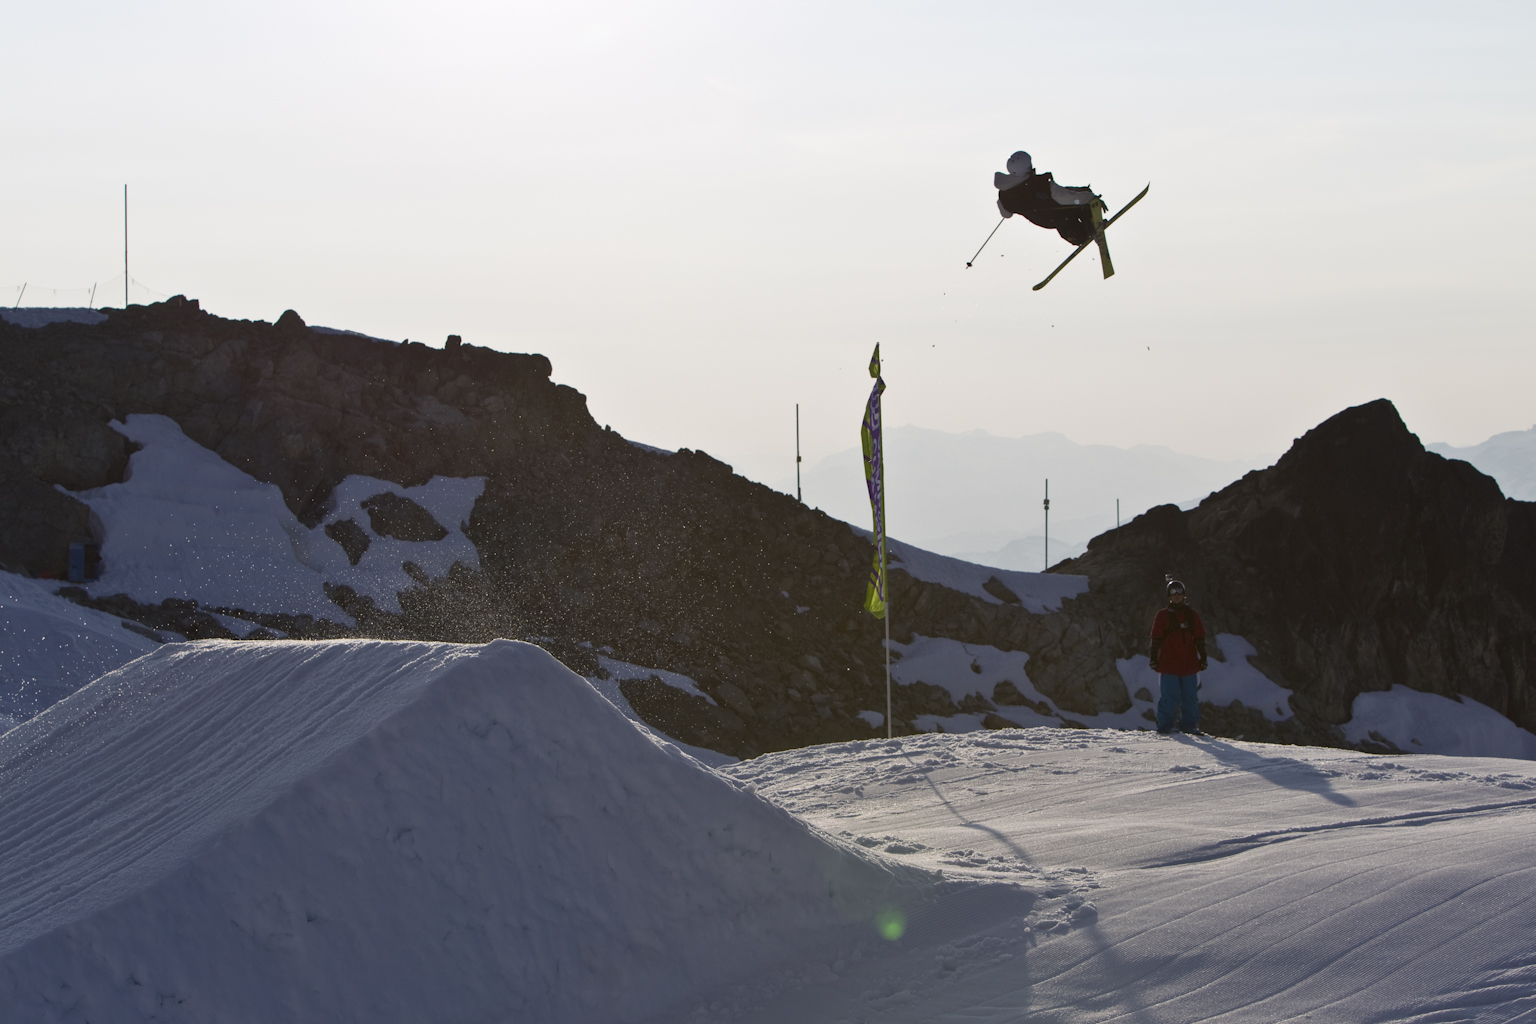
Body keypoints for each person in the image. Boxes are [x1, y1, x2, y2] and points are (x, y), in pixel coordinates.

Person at [994, 151, 1101, 246]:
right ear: (1028, 168)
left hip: (1053, 222)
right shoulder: (1041, 185)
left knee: (1071, 228)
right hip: (1064, 213)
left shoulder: (1005, 196)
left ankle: (1078, 236)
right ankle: (1093, 227)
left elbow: (1006, 214)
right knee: (1083, 196)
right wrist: (1092, 198)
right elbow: (1065, 197)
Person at [1148, 579, 1208, 734]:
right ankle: (1165, 726)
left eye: (1179, 592)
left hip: (1189, 663)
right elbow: (1156, 639)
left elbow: (1199, 637)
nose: (1176, 595)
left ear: (1184, 594)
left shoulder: (1192, 615)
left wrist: (1203, 657)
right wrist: (1153, 658)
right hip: (1169, 664)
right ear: (1169, 595)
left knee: (1190, 698)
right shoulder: (1162, 615)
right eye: (1173, 592)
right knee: (1169, 697)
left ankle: (1189, 726)